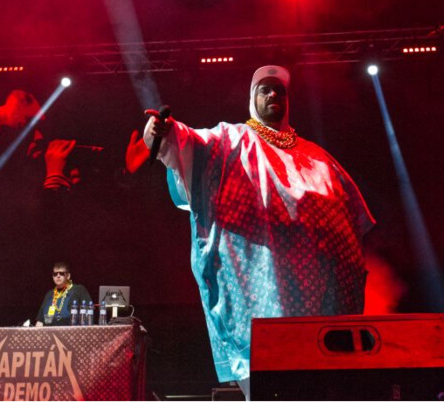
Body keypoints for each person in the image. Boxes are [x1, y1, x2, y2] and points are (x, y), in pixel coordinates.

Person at [143, 65, 375, 398]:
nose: (273, 94)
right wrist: (164, 132)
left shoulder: (317, 156)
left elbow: (354, 216)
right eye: (265, 89)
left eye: (279, 90)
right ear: (253, 98)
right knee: (271, 382)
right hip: (263, 287)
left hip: (322, 299)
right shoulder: (231, 141)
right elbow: (189, 142)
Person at [36, 262, 92, 326]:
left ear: (68, 276)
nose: (58, 276)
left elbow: (89, 316)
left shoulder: (79, 290)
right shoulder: (49, 294)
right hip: (49, 331)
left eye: (61, 273)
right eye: (55, 274)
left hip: (71, 331)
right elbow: (39, 322)